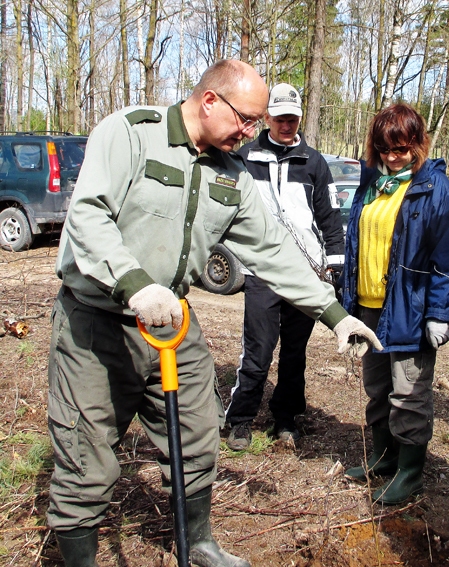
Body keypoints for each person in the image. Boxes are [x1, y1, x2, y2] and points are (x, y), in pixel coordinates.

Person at [47, 59, 381, 567]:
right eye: (245, 120)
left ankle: (198, 541)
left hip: (171, 325)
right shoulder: (131, 134)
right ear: (209, 101)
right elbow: (88, 215)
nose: (251, 133)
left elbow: (274, 252)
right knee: (85, 457)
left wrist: (335, 315)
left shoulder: (232, 175)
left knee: (199, 436)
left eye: (256, 122)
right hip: (96, 323)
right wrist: (134, 284)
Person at [340, 102, 449, 505]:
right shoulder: (371, 183)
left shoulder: (433, 188)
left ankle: (410, 471)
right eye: (386, 149)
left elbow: (446, 260)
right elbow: (357, 244)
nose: (394, 157)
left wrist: (438, 314)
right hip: (369, 308)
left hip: (409, 310)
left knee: (408, 393)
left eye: (402, 148)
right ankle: (383, 457)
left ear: (417, 144)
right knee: (377, 388)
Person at [225, 83, 344, 448]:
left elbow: (329, 217)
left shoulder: (314, 162)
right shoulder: (246, 158)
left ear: (299, 118)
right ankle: (241, 418)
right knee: (258, 350)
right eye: (279, 119)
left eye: (292, 118)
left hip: (306, 273)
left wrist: (335, 264)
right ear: (268, 118)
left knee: (295, 352)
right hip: (262, 272)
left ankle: (286, 419)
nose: (286, 125)